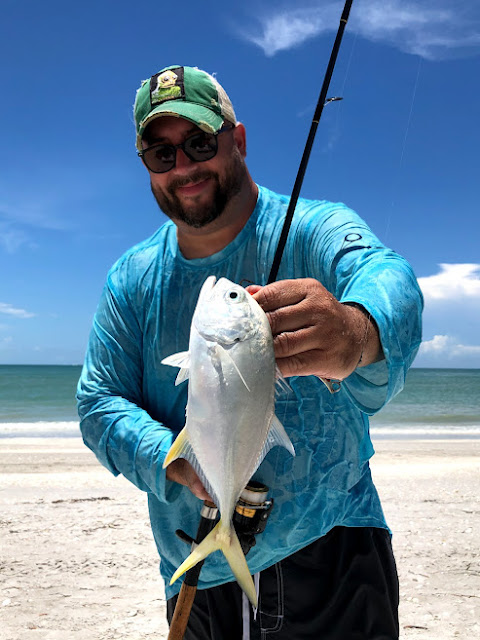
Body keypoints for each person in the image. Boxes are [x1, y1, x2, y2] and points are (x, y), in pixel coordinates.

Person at [77, 65, 423, 639]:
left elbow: (390, 277)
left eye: (198, 143)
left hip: (334, 546)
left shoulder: (317, 228)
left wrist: (357, 332)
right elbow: (97, 402)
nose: (183, 167)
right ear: (147, 167)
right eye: (162, 154)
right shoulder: (132, 280)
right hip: (196, 568)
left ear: (236, 140)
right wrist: (171, 458)